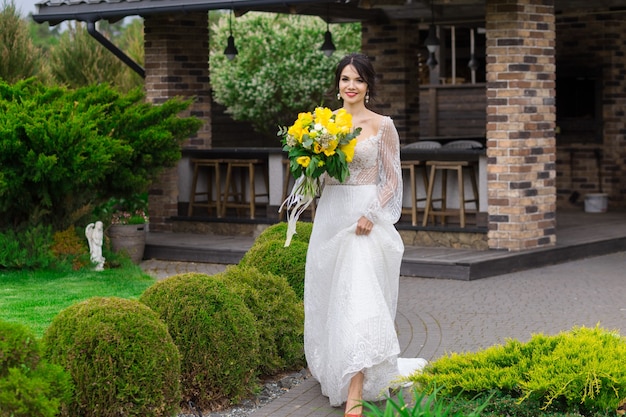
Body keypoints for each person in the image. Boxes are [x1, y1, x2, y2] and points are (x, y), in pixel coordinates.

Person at [304, 53, 423, 417]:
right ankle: (339, 371)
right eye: (344, 79)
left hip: (364, 218)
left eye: (357, 79)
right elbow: (317, 178)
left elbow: (392, 179)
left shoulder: (383, 126)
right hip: (332, 214)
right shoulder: (321, 125)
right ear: (337, 85)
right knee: (332, 297)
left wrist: (372, 213)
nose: (350, 86)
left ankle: (355, 390)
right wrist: (310, 162)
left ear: (368, 86)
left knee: (361, 297)